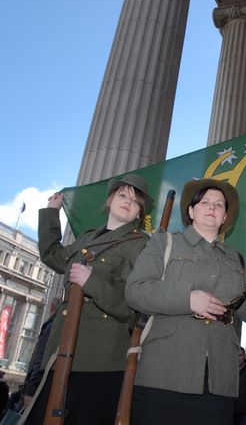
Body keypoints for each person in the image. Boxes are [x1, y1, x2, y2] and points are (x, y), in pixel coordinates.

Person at [125, 178, 246, 425]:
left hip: (218, 379)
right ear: (191, 211)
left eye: (219, 204)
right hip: (165, 372)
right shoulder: (164, 242)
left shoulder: (235, 258)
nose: (212, 207)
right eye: (205, 202)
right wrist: (188, 299)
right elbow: (136, 291)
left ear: (225, 217)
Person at [26, 173, 153, 425]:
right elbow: (52, 255)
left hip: (98, 359)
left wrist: (91, 281)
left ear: (140, 213)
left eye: (135, 200)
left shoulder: (141, 245)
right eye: (123, 195)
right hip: (60, 349)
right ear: (110, 200)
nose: (128, 201)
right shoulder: (87, 238)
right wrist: (52, 213)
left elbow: (135, 303)